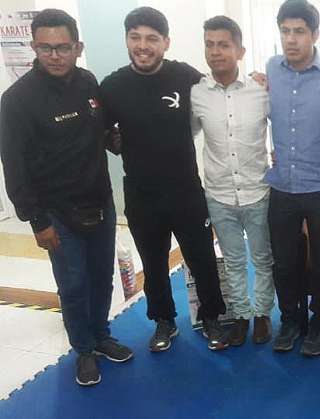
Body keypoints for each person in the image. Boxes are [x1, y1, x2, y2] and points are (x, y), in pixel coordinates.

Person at [0, 9, 132, 386]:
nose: (54, 55)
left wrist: (124, 139)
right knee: (73, 283)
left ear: (78, 47)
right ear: (33, 47)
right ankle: (84, 350)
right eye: (46, 48)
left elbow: (104, 131)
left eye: (62, 47)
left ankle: (102, 335)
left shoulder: (89, 84)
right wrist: (36, 221)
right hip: (56, 212)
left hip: (100, 202)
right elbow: (14, 166)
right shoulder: (17, 100)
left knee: (100, 277)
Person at [100, 6, 229, 352]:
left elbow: (221, 98)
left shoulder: (185, 77)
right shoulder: (112, 86)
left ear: (165, 43)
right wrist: (113, 142)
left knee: (201, 258)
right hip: (141, 193)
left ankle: (213, 317)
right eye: (135, 37)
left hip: (185, 189)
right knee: (153, 264)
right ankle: (164, 321)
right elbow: (96, 131)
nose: (143, 46)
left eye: (151, 39)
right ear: (127, 40)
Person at [266, 0, 320, 357]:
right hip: (282, 185)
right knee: (284, 262)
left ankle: (319, 324)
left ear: (314, 34)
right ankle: (290, 320)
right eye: (285, 31)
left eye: (299, 31)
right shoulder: (271, 68)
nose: (291, 39)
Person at [191, 16, 275, 346]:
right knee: (234, 262)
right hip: (219, 193)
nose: (216, 52)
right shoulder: (197, 94)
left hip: (258, 190)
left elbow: (282, 130)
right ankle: (241, 316)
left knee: (263, 259)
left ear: (240, 50)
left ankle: (264, 314)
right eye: (209, 45)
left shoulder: (261, 91)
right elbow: (186, 134)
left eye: (223, 45)